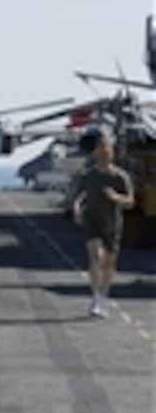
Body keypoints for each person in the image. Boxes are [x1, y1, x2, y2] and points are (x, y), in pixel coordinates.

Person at [72, 127, 134, 318]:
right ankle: (95, 298)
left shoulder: (120, 177)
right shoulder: (88, 176)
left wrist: (116, 198)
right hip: (93, 220)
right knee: (95, 256)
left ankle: (103, 296)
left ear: (111, 153)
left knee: (109, 264)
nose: (104, 155)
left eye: (106, 151)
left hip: (113, 222)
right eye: (100, 151)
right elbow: (77, 195)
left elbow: (130, 202)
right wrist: (76, 208)